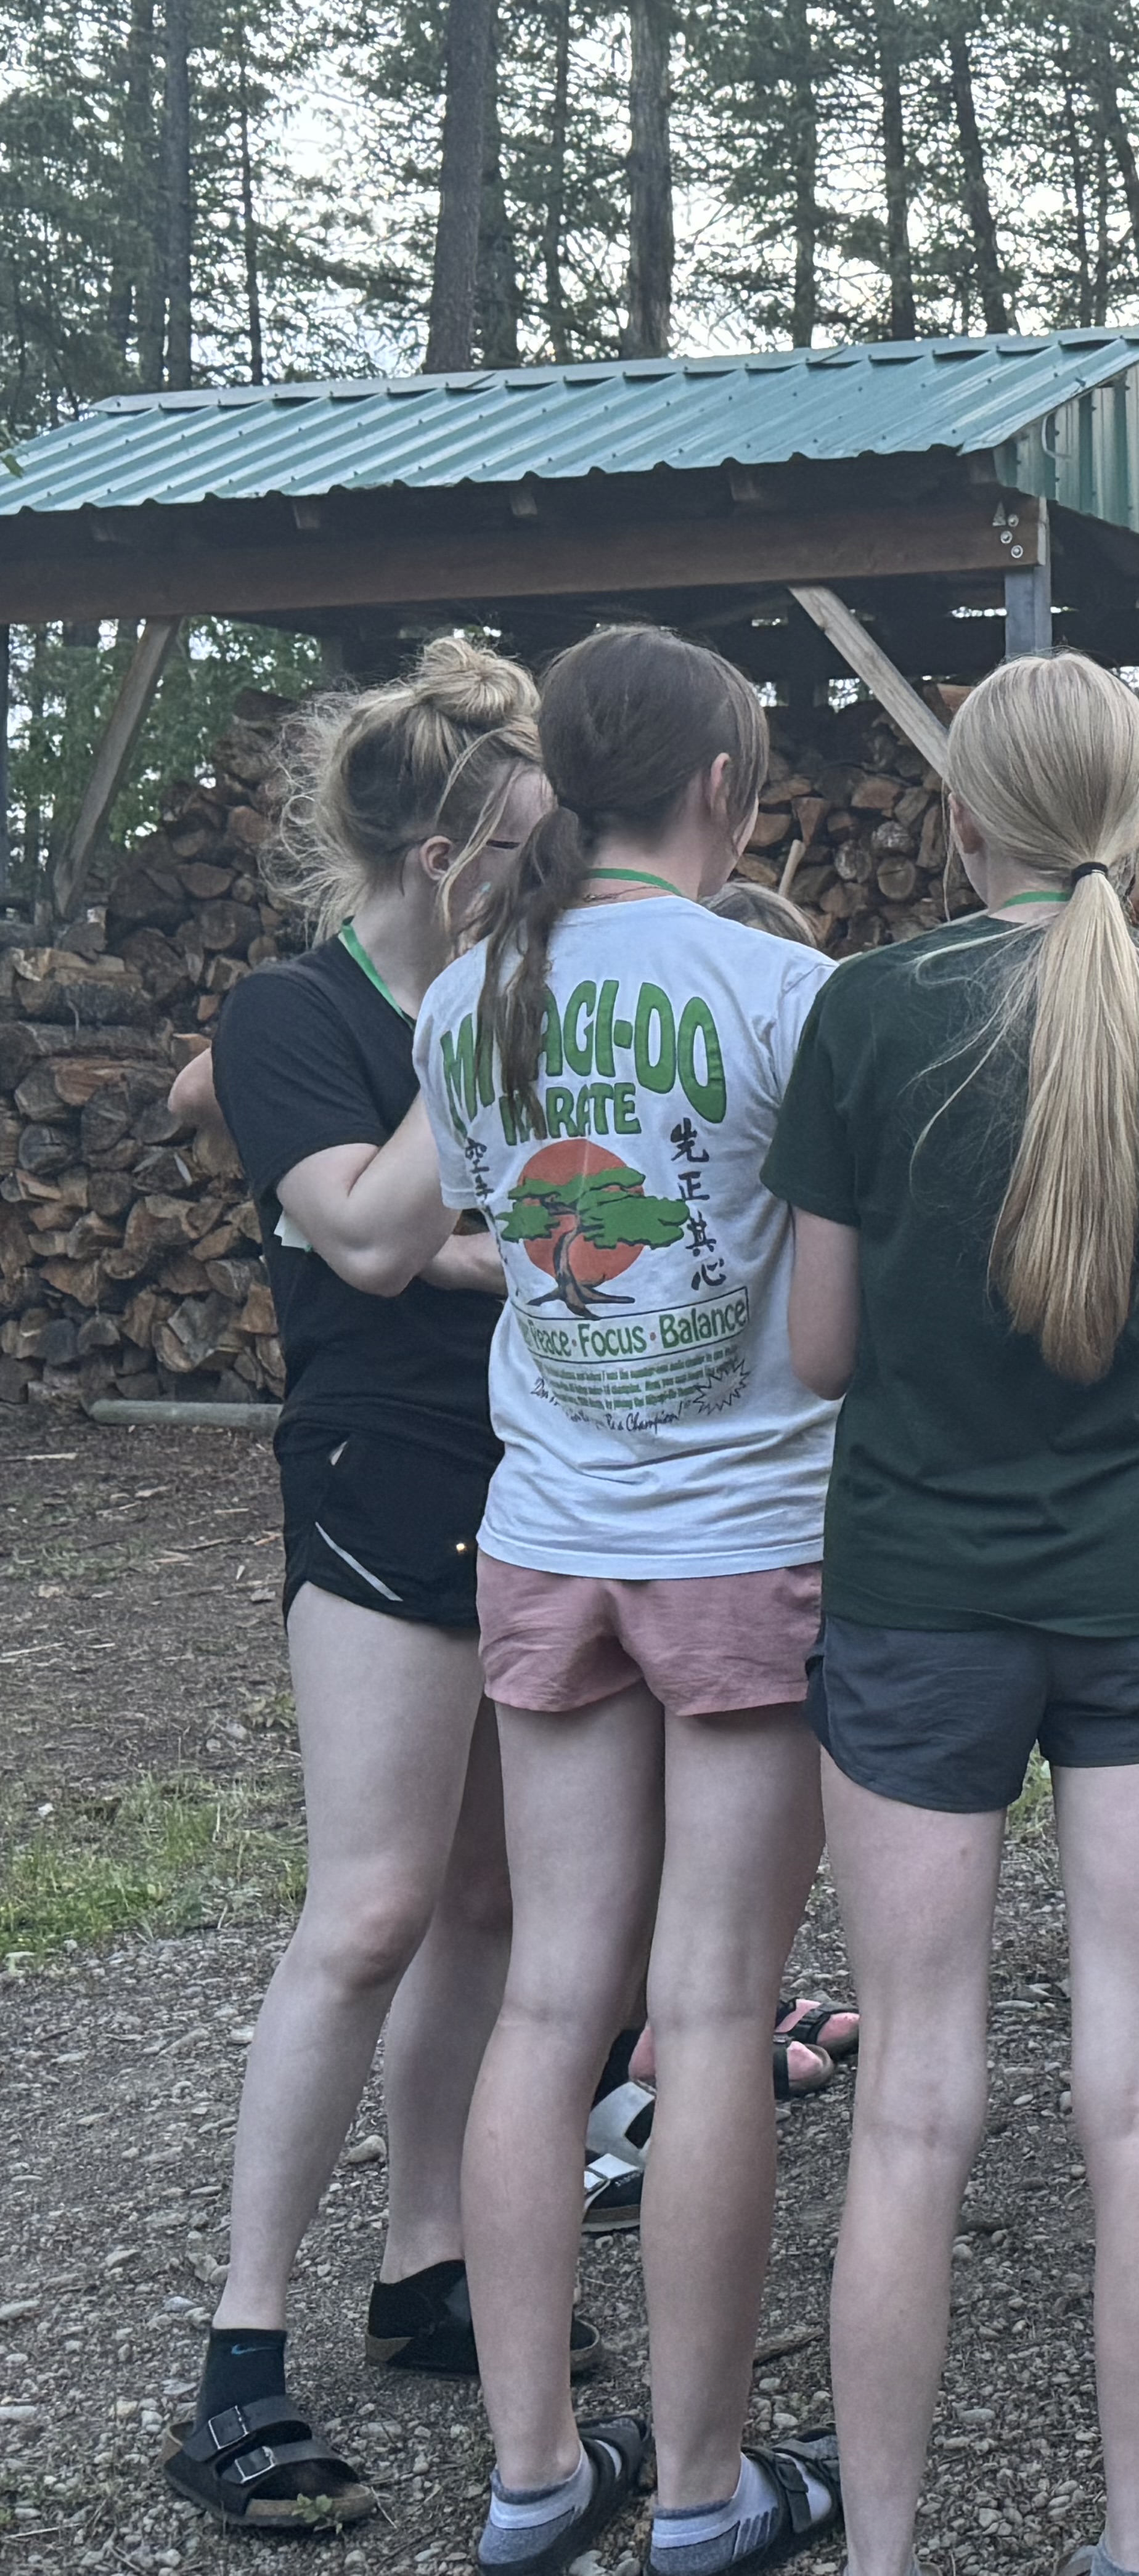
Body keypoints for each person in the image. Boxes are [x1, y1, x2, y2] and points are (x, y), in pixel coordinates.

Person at [769, 651, 1139, 2576]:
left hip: (916, 1593)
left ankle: (889, 2552)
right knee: (1137, 2097)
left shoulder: (864, 1016)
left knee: (912, 2103)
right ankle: (1137, 2550)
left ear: (964, 813)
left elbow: (821, 1349)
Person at [417, 626, 846, 2576]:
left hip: (549, 1534)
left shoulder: (462, 1002)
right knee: (710, 2009)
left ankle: (530, 2479)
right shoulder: (785, 992)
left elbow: (489, 1237)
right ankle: (699, 2490)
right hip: (743, 1540)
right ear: (723, 792)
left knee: (545, 2002)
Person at [161, 642, 555, 2535]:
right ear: (437, 847)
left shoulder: (528, 988)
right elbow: (382, 1238)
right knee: (375, 1902)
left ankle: (423, 2273)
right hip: (378, 1469)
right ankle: (240, 2351)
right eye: (515, 851)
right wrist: (479, 1008)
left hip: (542, 1466)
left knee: (485, 1896)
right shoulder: (287, 1014)